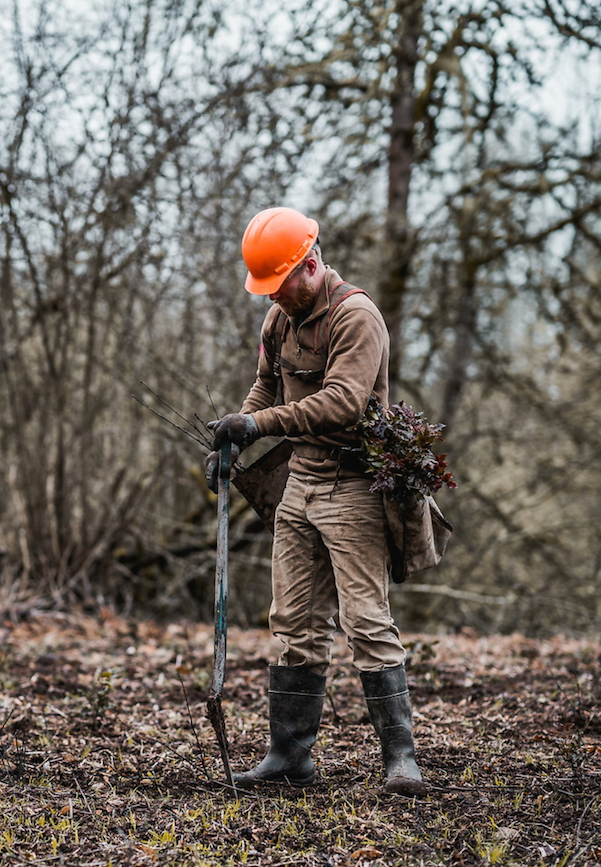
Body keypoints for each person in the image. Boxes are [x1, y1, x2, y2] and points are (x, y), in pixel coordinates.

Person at [205, 206, 426, 796]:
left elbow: (343, 404)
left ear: (310, 264)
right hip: (298, 483)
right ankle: (289, 758)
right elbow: (266, 387)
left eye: (280, 284)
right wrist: (235, 434)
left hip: (354, 484)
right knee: (292, 621)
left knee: (366, 620)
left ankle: (400, 758)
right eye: (267, 289)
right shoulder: (279, 320)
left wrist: (261, 427)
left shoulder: (357, 317)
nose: (273, 297)